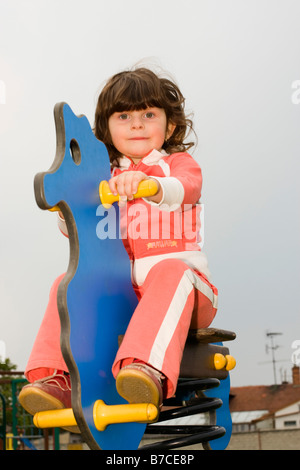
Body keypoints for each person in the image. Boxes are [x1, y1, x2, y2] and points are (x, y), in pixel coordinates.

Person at [19, 67, 218, 423]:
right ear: (107, 128)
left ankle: (146, 369)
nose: (137, 124)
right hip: (126, 297)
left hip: (187, 294)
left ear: (169, 127)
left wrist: (151, 185)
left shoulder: (176, 165)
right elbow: (79, 231)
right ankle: (54, 378)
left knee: (172, 271)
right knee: (67, 283)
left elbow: (186, 188)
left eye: (148, 115)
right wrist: (67, 211)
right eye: (124, 116)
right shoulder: (104, 179)